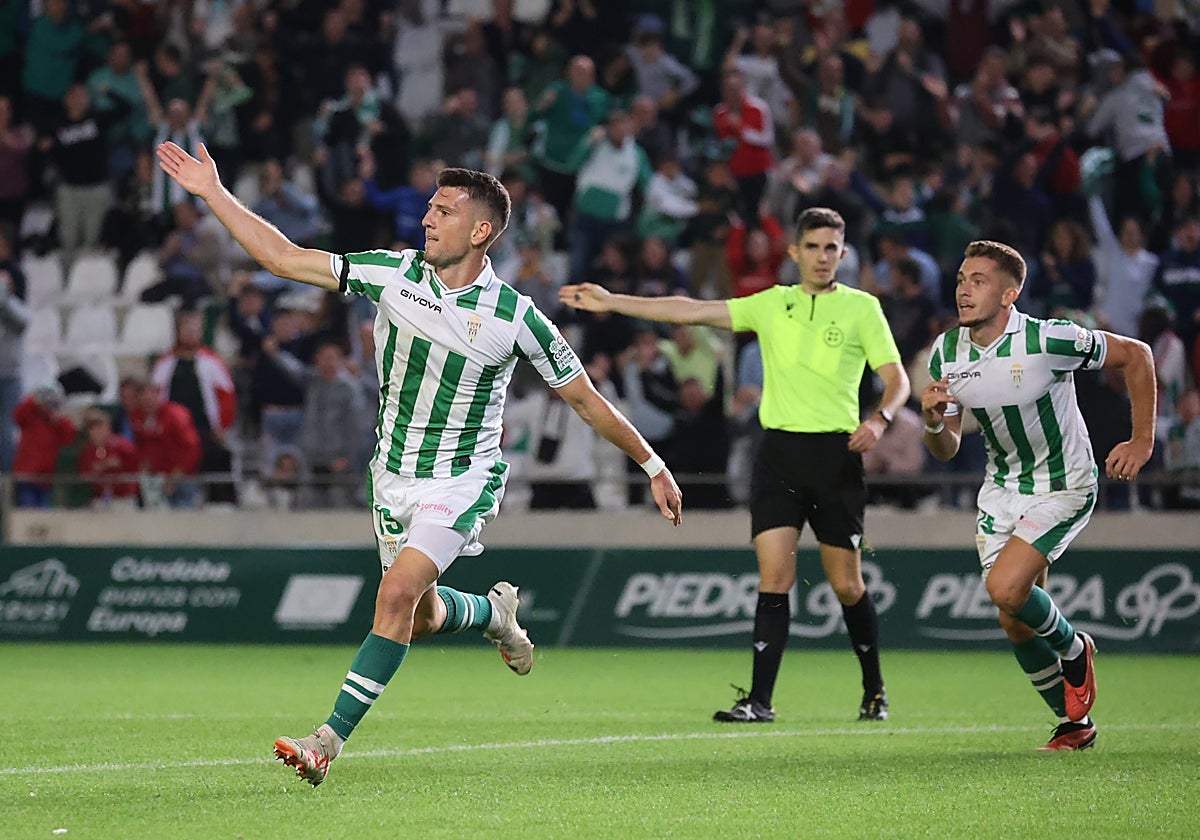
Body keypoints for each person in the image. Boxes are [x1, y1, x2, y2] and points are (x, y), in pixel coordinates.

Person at [155, 141, 683, 786]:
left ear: (481, 230)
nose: (428, 218)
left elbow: (585, 401)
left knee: (396, 592)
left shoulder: (517, 318)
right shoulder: (391, 273)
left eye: (444, 209)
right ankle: (493, 615)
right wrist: (212, 191)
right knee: (423, 615)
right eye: (430, 208)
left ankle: (326, 741)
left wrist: (652, 464)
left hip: (462, 479)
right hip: (392, 475)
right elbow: (282, 258)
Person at [561, 207, 911, 723]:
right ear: (793, 253)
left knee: (846, 585)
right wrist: (614, 301)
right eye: (812, 247)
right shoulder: (772, 304)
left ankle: (874, 690)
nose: (821, 257)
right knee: (775, 576)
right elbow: (690, 311)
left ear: (842, 253)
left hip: (836, 457)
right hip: (780, 457)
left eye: (831, 248)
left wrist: (880, 420)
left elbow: (897, 378)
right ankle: (760, 701)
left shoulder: (862, 309)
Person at [920, 240, 1157, 752]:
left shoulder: (1049, 339)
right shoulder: (946, 352)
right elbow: (946, 449)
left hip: (1064, 484)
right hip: (1002, 489)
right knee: (1013, 617)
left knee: (1006, 590)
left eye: (978, 280)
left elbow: (1137, 356)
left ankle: (1076, 649)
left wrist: (1141, 440)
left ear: (1010, 293)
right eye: (962, 278)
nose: (963, 289)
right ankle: (1075, 726)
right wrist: (934, 423)